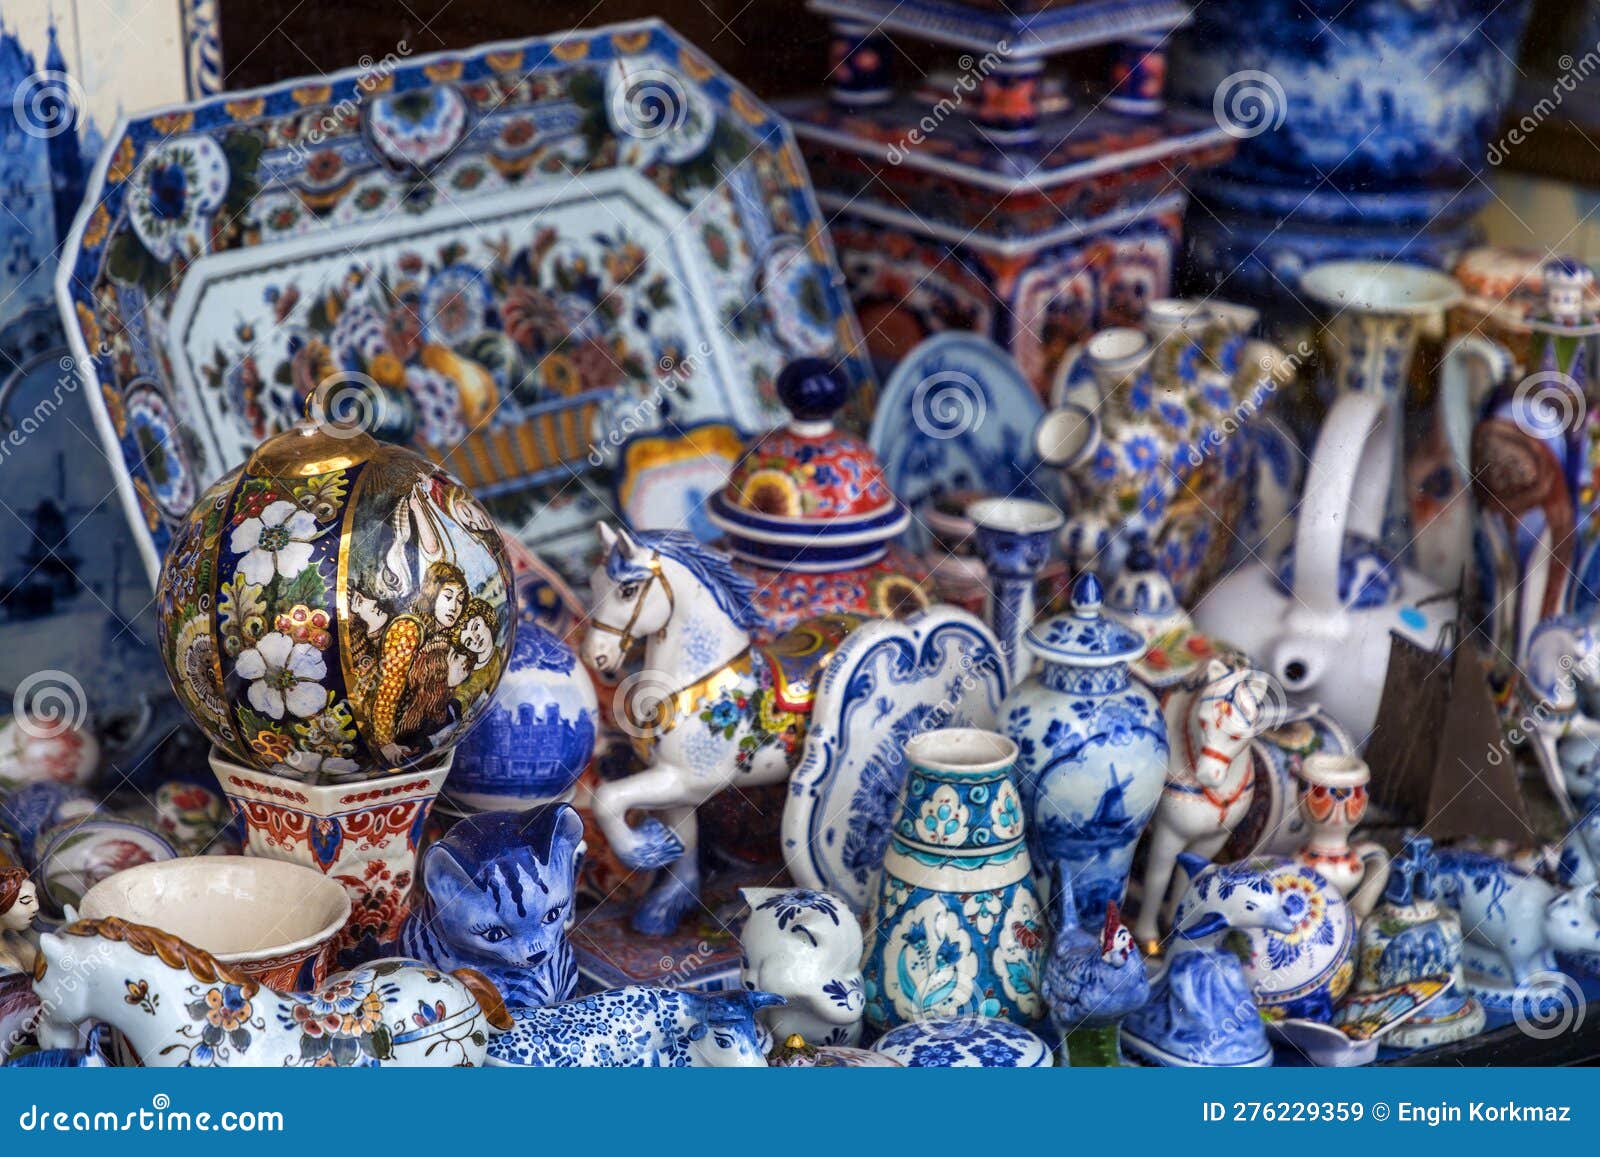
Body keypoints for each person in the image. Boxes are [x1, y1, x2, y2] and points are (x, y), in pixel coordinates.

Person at [370, 561, 468, 765]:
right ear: (432, 594)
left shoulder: (442, 639)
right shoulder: (409, 629)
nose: (454, 607)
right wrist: (385, 742)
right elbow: (388, 690)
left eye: (460, 600)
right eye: (448, 597)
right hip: (387, 739)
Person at [0, 870, 40, 977]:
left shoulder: (21, 944)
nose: (36, 907)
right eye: (26, 900)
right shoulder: (6, 965)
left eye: (36, 898)